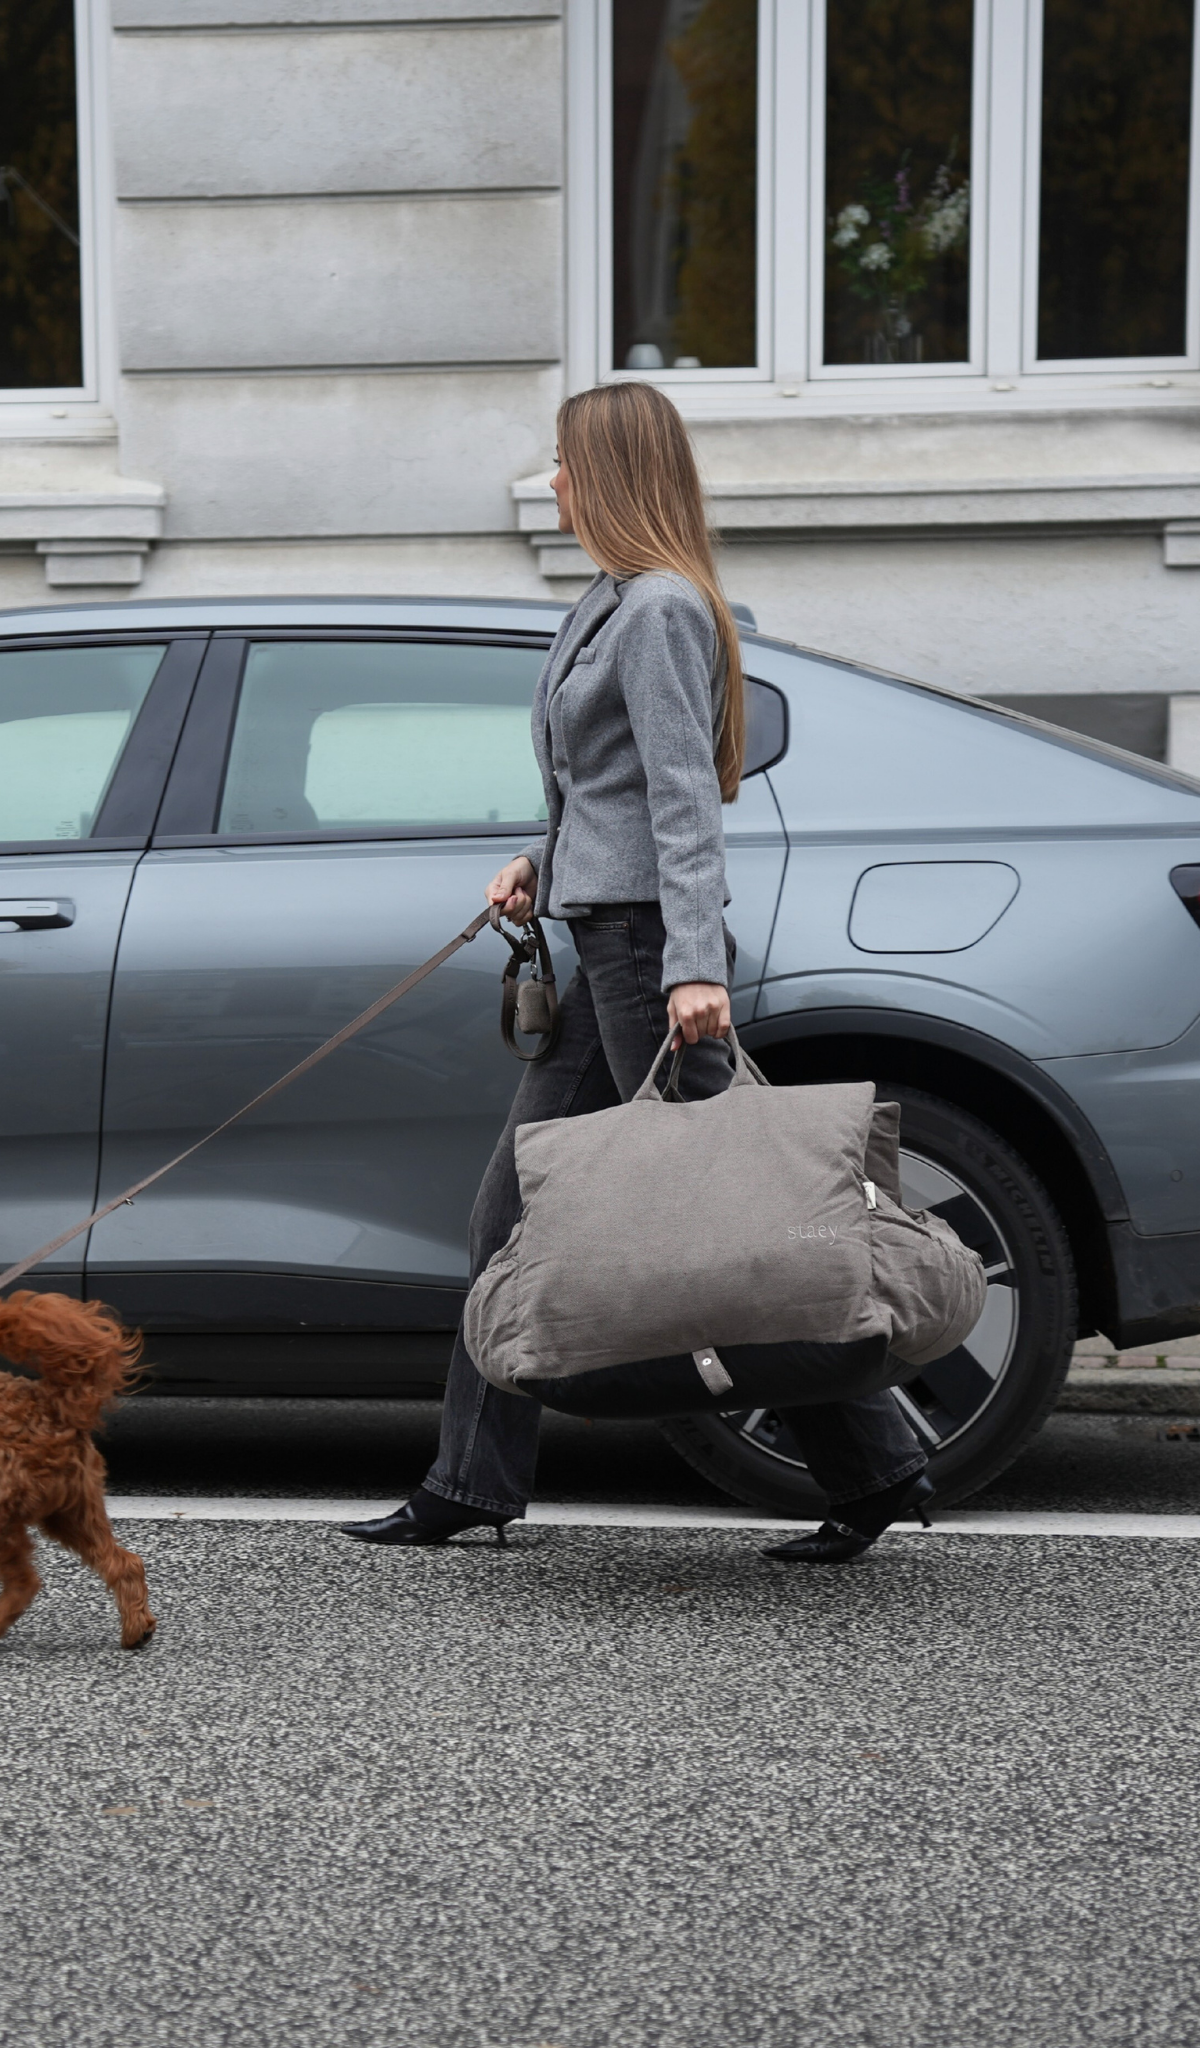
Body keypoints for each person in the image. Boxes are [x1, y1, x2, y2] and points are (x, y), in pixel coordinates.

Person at [339, 381, 933, 1565]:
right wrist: (540, 855)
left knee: (740, 1218)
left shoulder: (658, 610)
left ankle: (873, 1465)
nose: (549, 481)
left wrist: (691, 968)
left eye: (562, 462)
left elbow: (680, 801)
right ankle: (469, 1479)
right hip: (600, 934)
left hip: (646, 953)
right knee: (508, 1216)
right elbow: (601, 790)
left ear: (607, 473)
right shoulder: (610, 600)